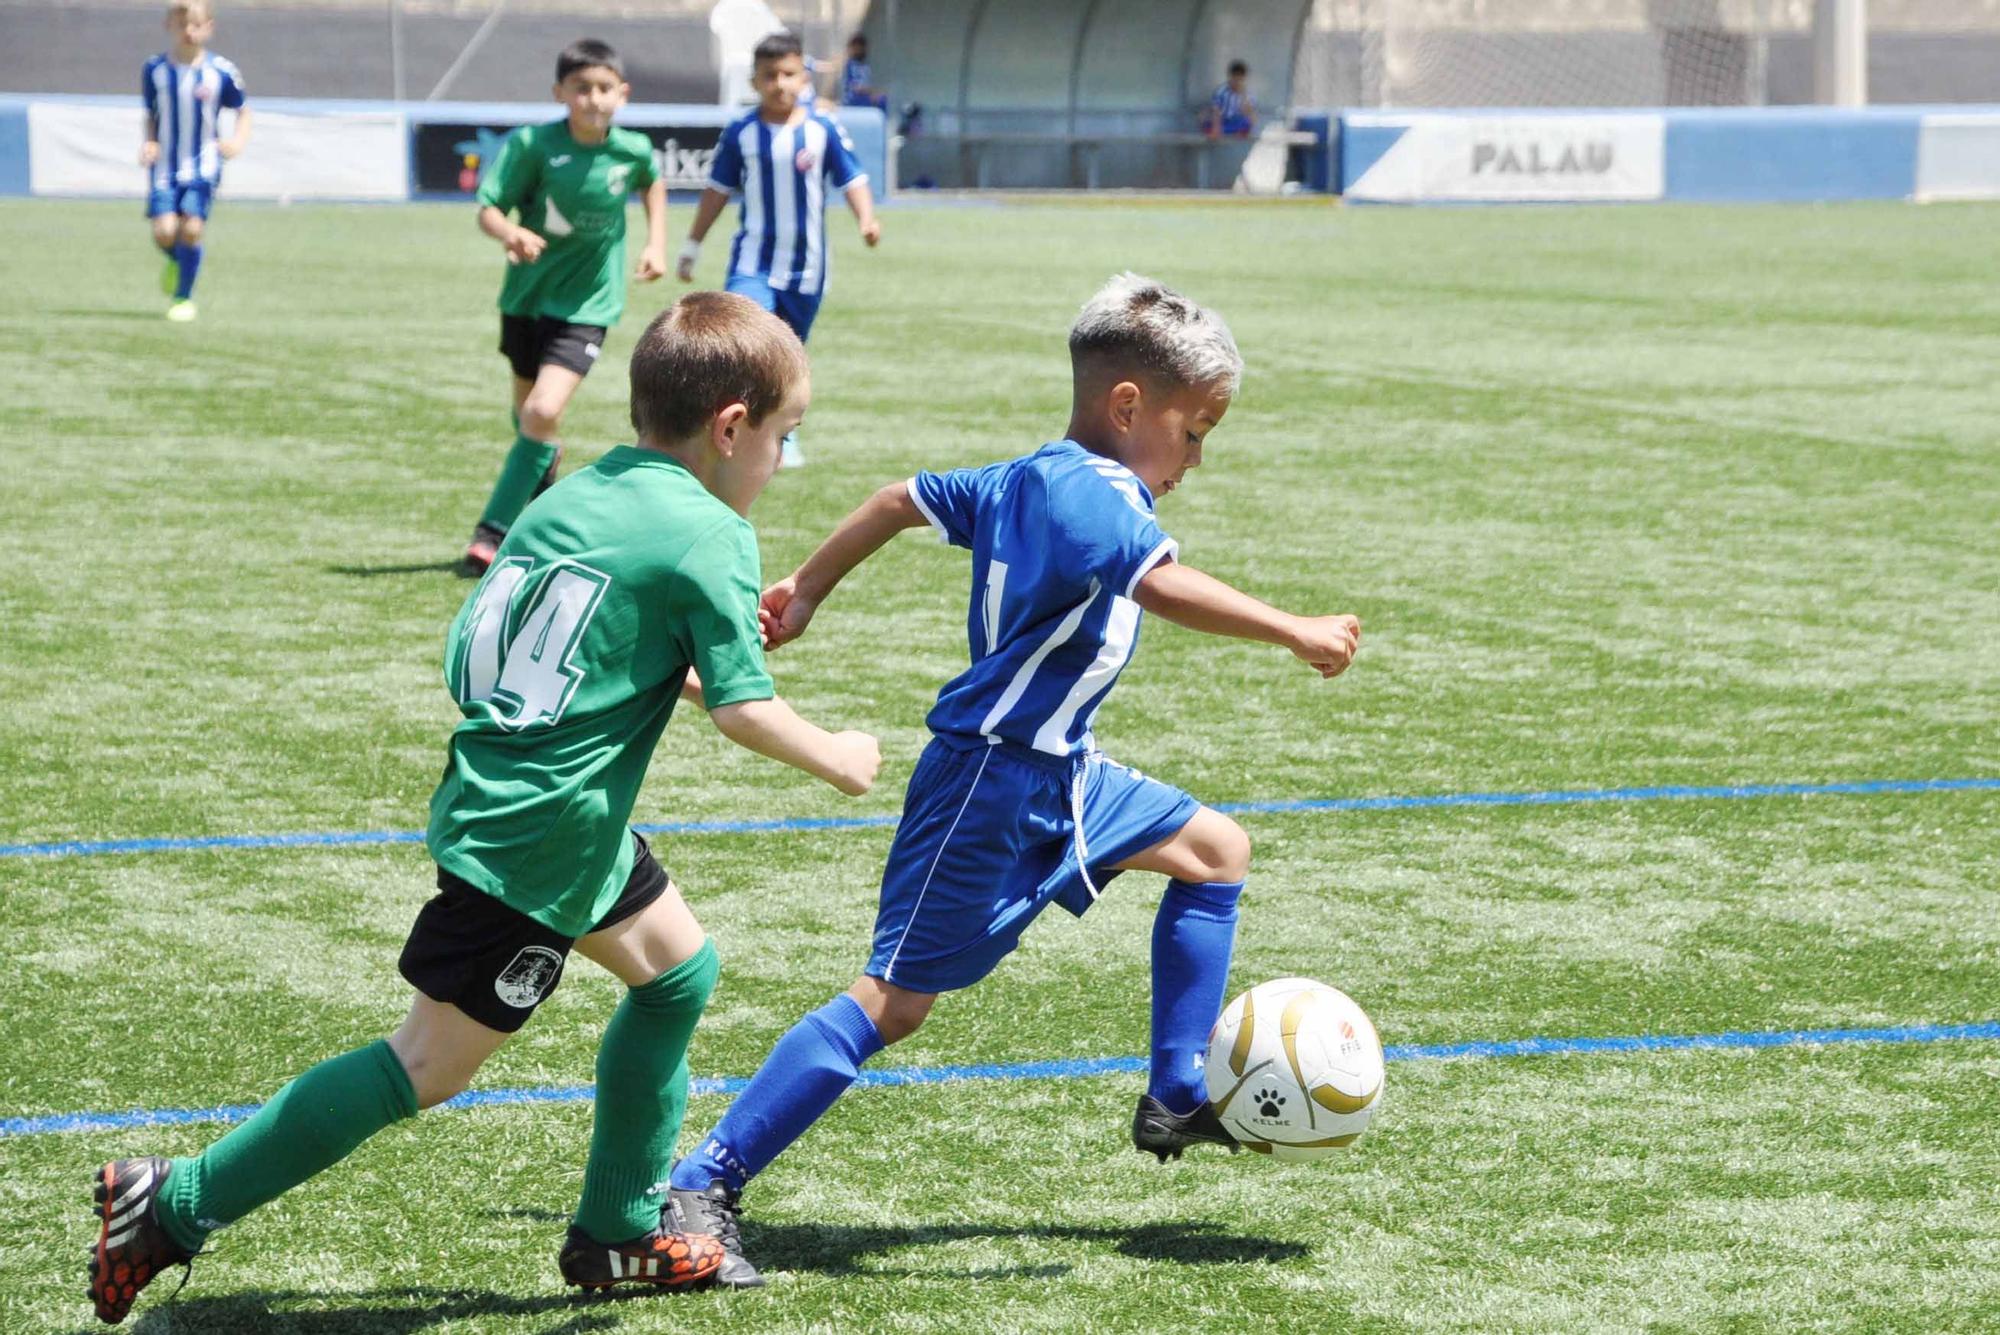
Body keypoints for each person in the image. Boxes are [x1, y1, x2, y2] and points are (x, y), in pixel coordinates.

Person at [85, 292, 884, 1327]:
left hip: (525, 806)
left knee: (677, 973)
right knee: (423, 1067)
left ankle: (616, 1232)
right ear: (731, 427)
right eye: (785, 437)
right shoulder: (710, 534)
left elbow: (486, 652)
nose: (781, 460)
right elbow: (745, 712)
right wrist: (842, 758)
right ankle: (174, 1205)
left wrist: (677, 657)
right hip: (543, 841)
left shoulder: (573, 496)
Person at [664, 273, 1363, 1288]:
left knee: (1214, 851)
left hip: (1063, 770)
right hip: (988, 784)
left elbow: (899, 498)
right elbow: (1157, 583)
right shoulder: (1093, 493)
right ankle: (705, 1180)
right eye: (1197, 430)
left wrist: (809, 588)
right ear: (1128, 406)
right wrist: (1292, 629)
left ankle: (1172, 1089)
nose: (1198, 459)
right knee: (894, 1004)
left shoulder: (1026, 475)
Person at [462, 38, 669, 575]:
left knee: (542, 412)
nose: (593, 99)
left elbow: (653, 183)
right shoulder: (533, 145)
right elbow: (488, 207)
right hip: (527, 301)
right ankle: (545, 476)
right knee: (528, 419)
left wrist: (656, 243)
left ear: (621, 94)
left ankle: (493, 533)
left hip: (590, 303)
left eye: (604, 89)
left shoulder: (633, 149)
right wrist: (511, 232)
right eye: (581, 89)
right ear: (561, 92)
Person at [677, 30, 881, 469]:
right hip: (752, 262)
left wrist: (866, 218)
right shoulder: (742, 133)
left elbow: (853, 178)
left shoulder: (822, 128)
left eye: (788, 74)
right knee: (748, 343)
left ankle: (783, 437)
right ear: (754, 81)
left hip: (807, 269)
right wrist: (692, 245)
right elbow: (717, 190)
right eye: (770, 76)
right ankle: (730, 429)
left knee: (788, 357)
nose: (780, 84)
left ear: (803, 78)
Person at [141, 0, 250, 323]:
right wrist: (149, 141)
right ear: (169, 26)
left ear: (209, 28)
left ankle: (183, 297)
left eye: (196, 24)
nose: (189, 31)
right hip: (165, 168)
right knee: (164, 232)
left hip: (203, 166)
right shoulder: (155, 70)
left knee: (191, 228)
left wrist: (237, 141)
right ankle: (180, 261)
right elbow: (152, 115)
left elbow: (244, 110)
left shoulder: (221, 72)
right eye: (182, 24)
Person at [1202, 60, 1257, 138]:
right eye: (1235, 79)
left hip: (1235, 122)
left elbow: (1250, 115)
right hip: (1222, 121)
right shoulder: (1221, 91)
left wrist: (1243, 95)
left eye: (1240, 79)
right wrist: (1216, 128)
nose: (1237, 82)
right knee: (1205, 122)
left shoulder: (1247, 94)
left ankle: (1237, 133)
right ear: (1230, 77)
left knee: (1247, 123)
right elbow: (1216, 111)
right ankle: (1224, 132)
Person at [839, 32, 887, 110]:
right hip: (852, 100)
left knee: (882, 98)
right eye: (856, 47)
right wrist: (872, 92)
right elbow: (855, 88)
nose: (859, 50)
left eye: (861, 47)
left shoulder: (865, 66)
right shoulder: (850, 66)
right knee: (881, 100)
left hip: (862, 97)